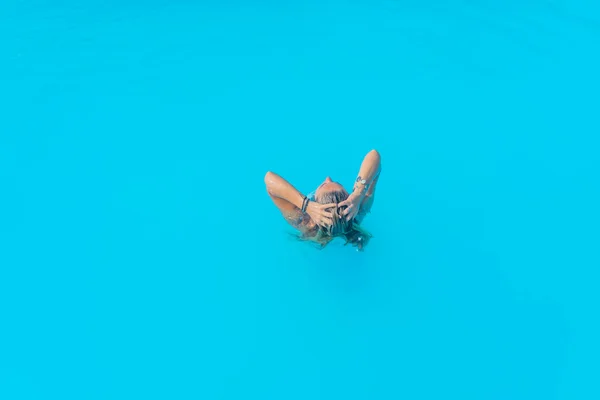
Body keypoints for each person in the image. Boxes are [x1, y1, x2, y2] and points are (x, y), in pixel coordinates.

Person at [264, 149, 381, 250]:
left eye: (323, 185)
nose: (328, 178)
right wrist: (358, 193)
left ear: (315, 203)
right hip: (351, 232)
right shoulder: (359, 209)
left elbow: (269, 180)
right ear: (349, 198)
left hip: (316, 238)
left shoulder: (303, 221)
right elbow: (374, 156)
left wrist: (306, 205)